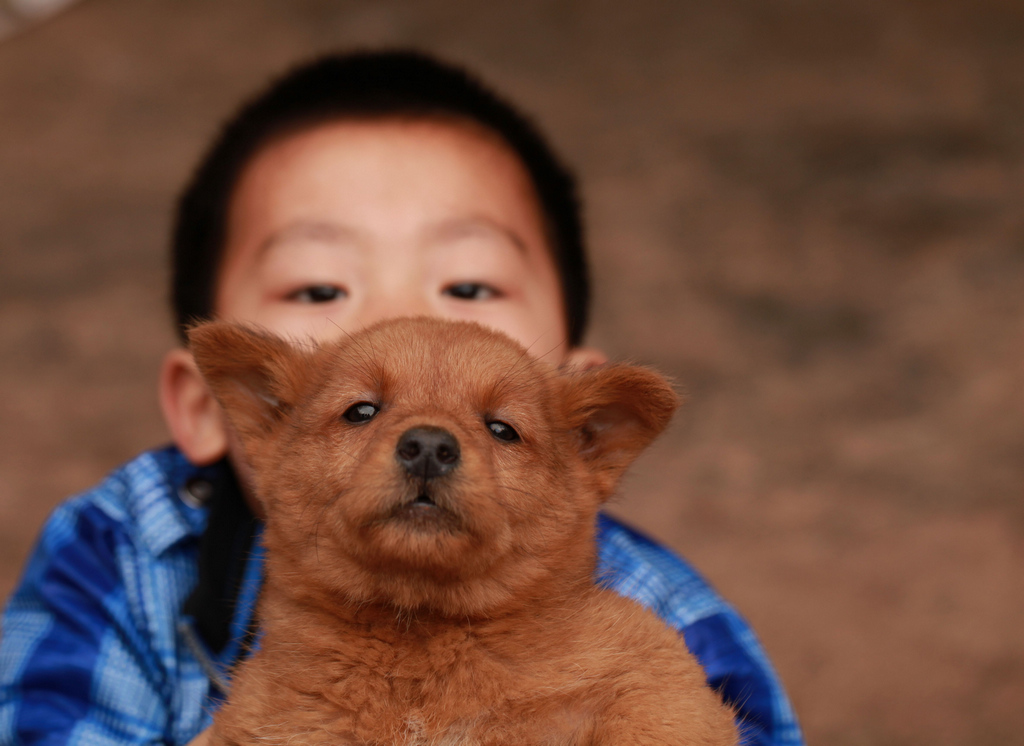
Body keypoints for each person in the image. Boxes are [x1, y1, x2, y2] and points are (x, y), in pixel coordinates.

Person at [0, 51, 804, 746]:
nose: (428, 437)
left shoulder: (664, 621)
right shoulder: (117, 552)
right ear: (234, 408)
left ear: (586, 443)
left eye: (499, 426)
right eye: (321, 288)